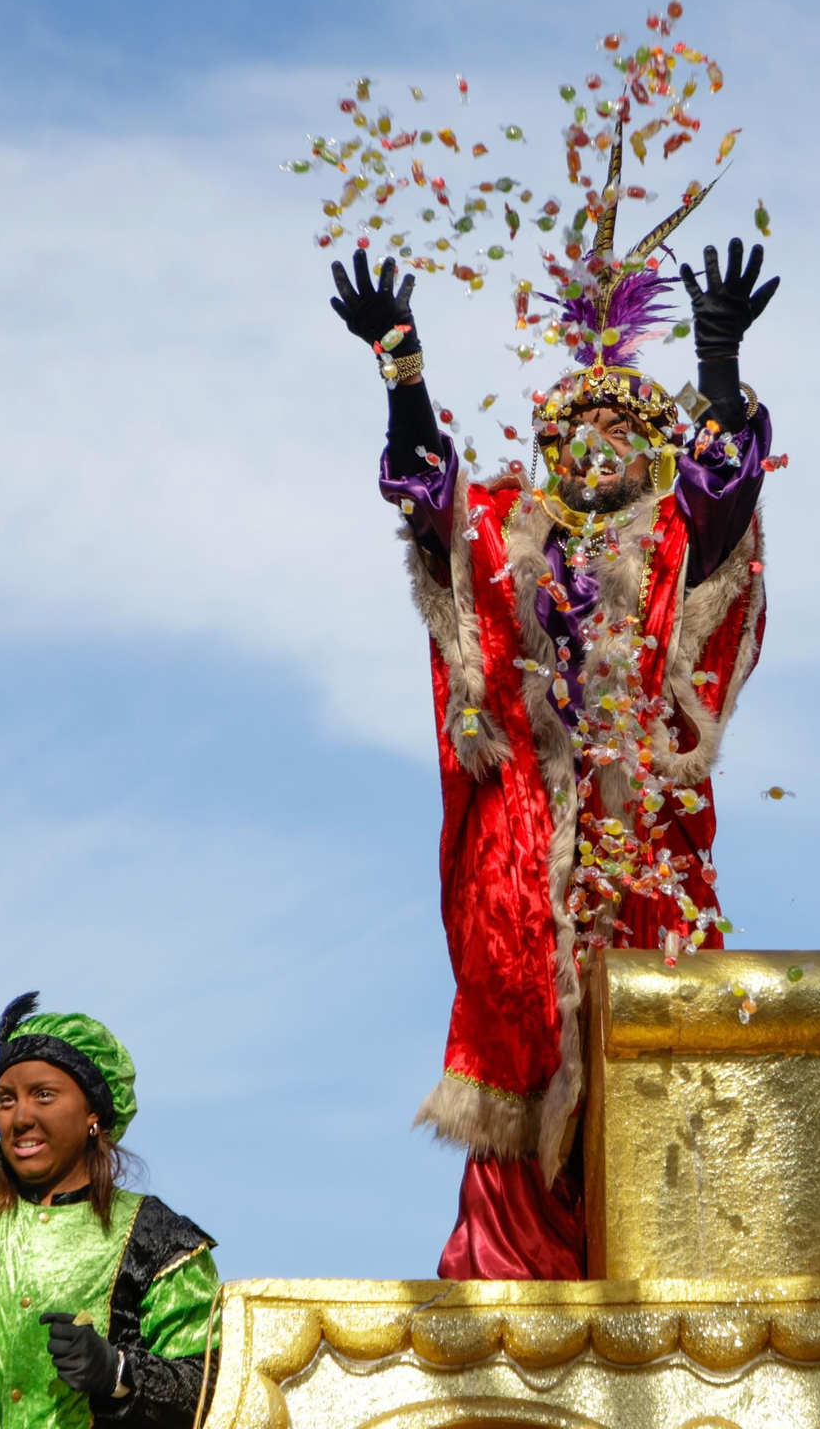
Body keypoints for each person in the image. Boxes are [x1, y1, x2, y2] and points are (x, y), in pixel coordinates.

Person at [328, 194, 778, 1277]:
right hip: (518, 850)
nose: (592, 450)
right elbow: (426, 493)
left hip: (645, 851)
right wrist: (402, 368)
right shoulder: (504, 531)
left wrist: (715, 365)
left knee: (657, 1062)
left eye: (621, 435)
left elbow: (727, 496)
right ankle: (511, 1294)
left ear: (651, 457)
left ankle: (671, 1271)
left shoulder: (672, 540)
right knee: (520, 1050)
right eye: (571, 434)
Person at [0, 759, 220, 1428]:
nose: (19, 1116)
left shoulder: (156, 1238)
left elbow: (213, 1387)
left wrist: (117, 1374)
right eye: (5, 1099)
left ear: (95, 1116)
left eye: (42, 1095)